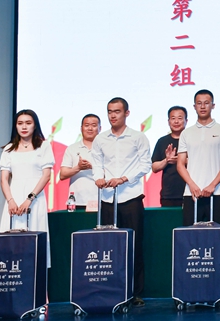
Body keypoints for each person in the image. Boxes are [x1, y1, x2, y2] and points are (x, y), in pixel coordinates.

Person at [92, 97, 152, 306]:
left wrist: (125, 178)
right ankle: (110, 291)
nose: (113, 115)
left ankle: (135, 292)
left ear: (126, 113)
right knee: (108, 248)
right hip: (107, 199)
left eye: (117, 111)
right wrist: (98, 178)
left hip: (130, 198)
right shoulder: (100, 139)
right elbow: (96, 163)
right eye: (110, 111)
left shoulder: (138, 137)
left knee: (134, 246)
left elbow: (145, 165)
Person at [0, 110, 54, 266]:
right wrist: (10, 200)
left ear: (35, 125)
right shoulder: (9, 149)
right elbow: (4, 179)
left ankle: (36, 276)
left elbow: (46, 176)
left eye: (28, 123)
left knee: (35, 238)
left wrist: (29, 199)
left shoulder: (43, 146)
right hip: (14, 198)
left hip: (35, 198)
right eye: (20, 123)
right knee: (11, 240)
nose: (24, 127)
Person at [177, 89, 220, 226]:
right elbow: (180, 164)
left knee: (218, 235)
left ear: (213, 105)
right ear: (194, 106)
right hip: (191, 193)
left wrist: (213, 185)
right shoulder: (186, 133)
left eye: (206, 103)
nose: (202, 106)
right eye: (199, 103)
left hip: (217, 193)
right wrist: (192, 185)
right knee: (190, 235)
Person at [60, 114, 101, 209]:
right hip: (77, 201)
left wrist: (93, 167)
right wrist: (78, 167)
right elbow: (62, 175)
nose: (90, 128)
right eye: (86, 125)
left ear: (100, 128)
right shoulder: (72, 149)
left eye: (94, 125)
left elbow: (113, 173)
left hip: (102, 200)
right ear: (81, 128)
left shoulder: (106, 148)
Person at [151, 106, 188, 207]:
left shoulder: (192, 140)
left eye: (180, 118)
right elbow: (154, 167)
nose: (176, 121)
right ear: (168, 121)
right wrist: (167, 160)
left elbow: (200, 162)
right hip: (168, 194)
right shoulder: (162, 141)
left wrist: (181, 160)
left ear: (186, 121)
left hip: (190, 192)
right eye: (173, 118)